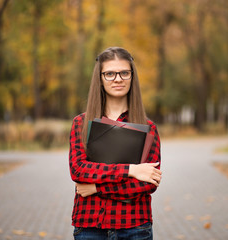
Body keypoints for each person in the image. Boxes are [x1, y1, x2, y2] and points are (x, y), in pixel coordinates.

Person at [69, 47, 162, 240]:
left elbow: (147, 184)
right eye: (110, 73)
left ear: (132, 77)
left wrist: (97, 188)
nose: (117, 79)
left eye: (124, 73)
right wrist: (130, 170)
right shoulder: (81, 124)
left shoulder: (149, 128)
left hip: (134, 227)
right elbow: (79, 170)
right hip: (90, 226)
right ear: (100, 78)